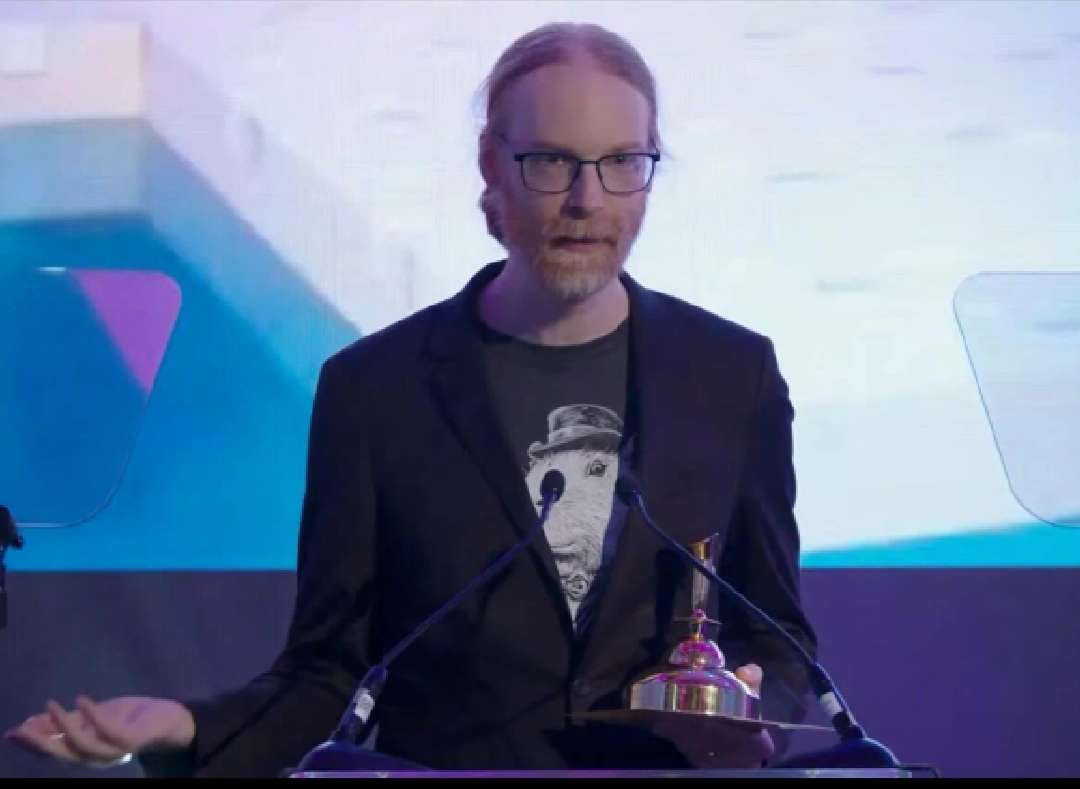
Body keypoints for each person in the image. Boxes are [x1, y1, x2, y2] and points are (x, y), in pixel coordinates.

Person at [5, 22, 817, 777]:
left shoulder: (731, 376)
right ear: (491, 165)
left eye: (622, 162)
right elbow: (329, 674)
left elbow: (778, 641)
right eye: (550, 161)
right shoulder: (375, 391)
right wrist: (188, 724)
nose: (587, 199)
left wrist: (755, 719)